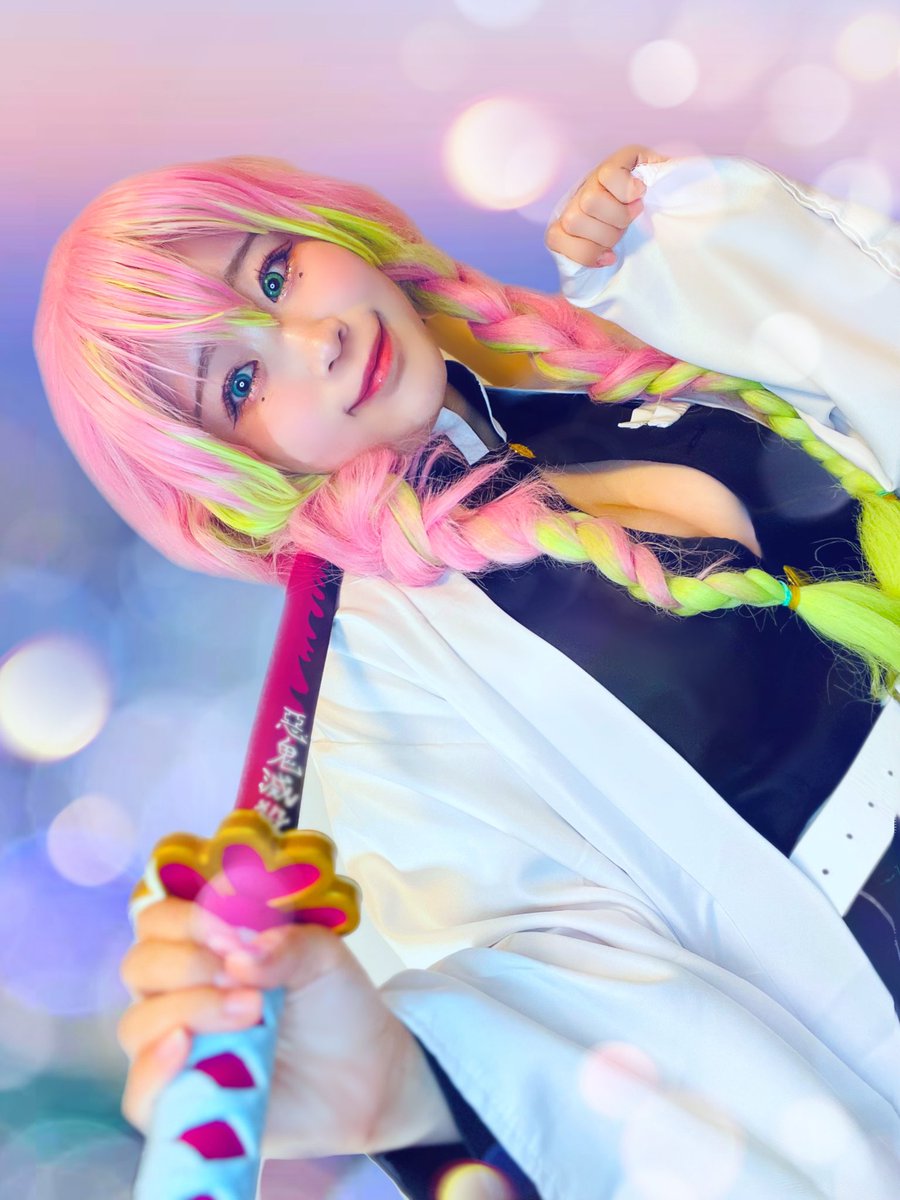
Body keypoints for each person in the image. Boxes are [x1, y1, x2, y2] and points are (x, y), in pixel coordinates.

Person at [32, 144, 900, 1199]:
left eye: (275, 273)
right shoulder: (377, 693)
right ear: (224, 474)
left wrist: (670, 248)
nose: (317, 337)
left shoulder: (597, 369)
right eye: (242, 382)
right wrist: (412, 1089)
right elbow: (562, 995)